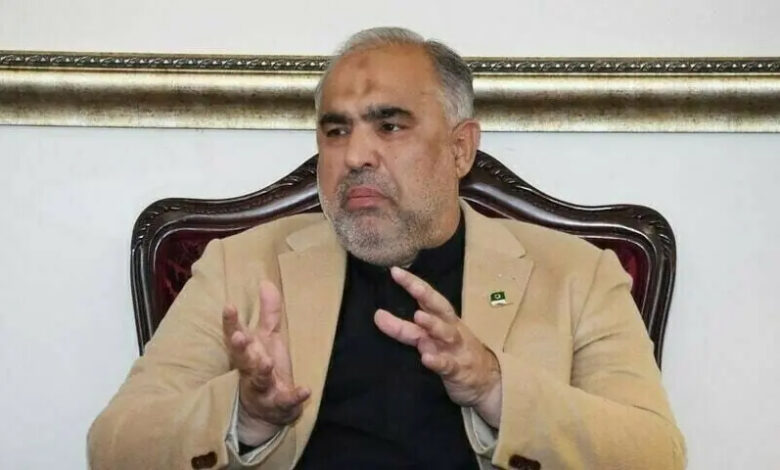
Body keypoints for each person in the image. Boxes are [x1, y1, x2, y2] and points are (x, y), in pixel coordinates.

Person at [88, 27, 685, 470]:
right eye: (336, 130)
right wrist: (247, 414)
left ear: (460, 148)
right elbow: (114, 445)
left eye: (390, 126)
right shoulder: (239, 266)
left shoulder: (577, 274)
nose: (355, 155)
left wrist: (494, 386)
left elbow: (656, 454)